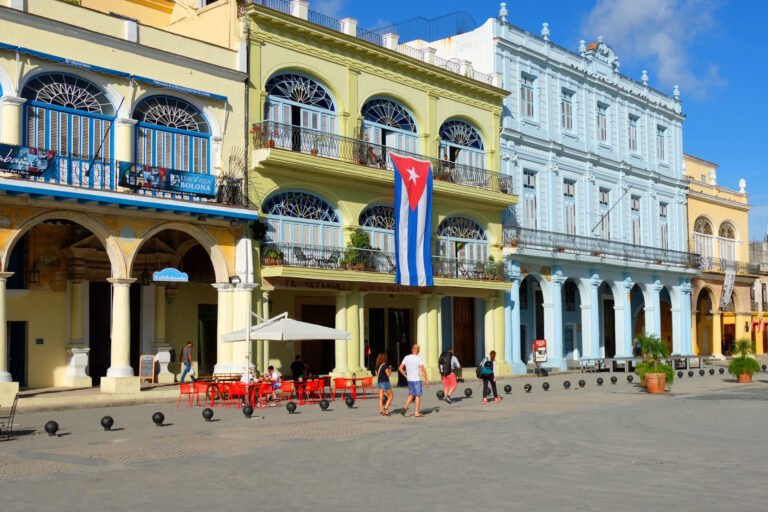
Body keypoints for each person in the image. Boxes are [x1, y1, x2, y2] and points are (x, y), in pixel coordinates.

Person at [398, 344, 429, 418]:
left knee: (411, 394)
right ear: (418, 351)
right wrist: (426, 380)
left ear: (412, 350)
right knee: (418, 395)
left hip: (409, 380)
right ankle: (416, 412)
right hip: (416, 380)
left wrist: (406, 375)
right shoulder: (418, 359)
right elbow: (423, 370)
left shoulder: (406, 357)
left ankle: (404, 408)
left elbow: (400, 368)